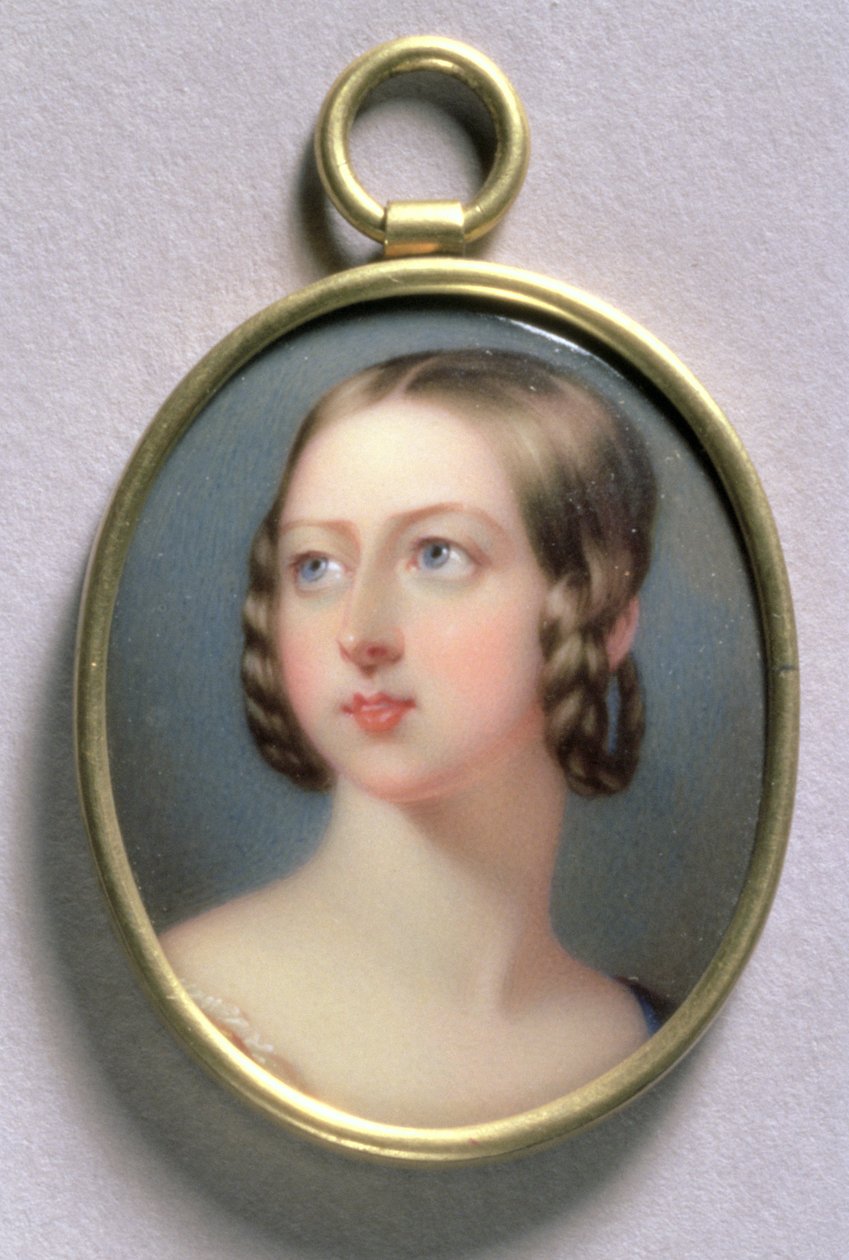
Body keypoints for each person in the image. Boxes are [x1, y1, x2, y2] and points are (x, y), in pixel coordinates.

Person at [162, 348, 659, 1127]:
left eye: (437, 555)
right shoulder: (191, 1001)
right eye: (316, 566)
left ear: (603, 619)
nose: (361, 633)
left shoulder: (641, 1037)